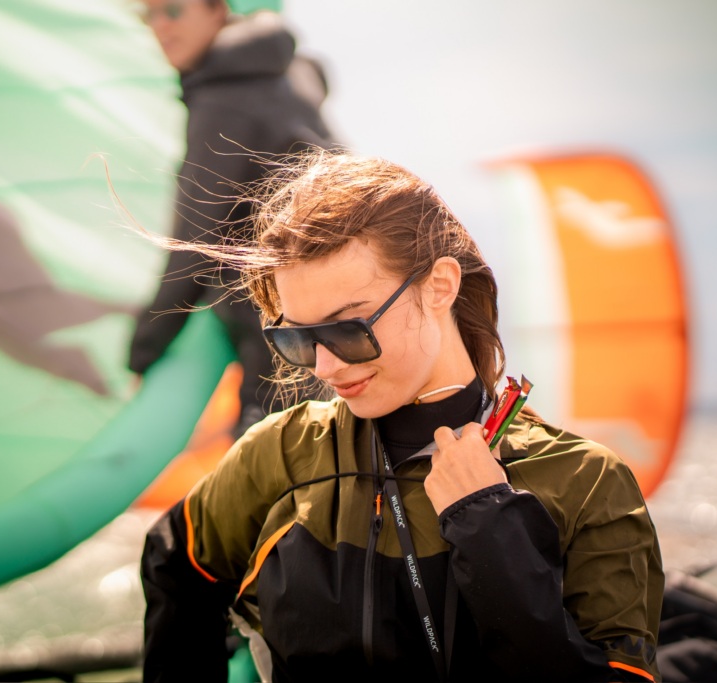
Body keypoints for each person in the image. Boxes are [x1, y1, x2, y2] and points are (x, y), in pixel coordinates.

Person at [140, 153, 664, 682]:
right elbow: (172, 561)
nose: (324, 366)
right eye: (297, 338)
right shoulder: (279, 453)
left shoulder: (585, 481)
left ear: (439, 286)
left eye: (348, 329)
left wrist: (488, 527)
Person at [128, 0, 334, 431]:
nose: (160, 26)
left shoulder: (224, 100)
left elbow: (193, 242)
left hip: (288, 334)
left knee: (270, 457)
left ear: (217, 10)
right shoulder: (287, 75)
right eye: (149, 15)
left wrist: (143, 352)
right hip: (342, 317)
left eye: (173, 11)